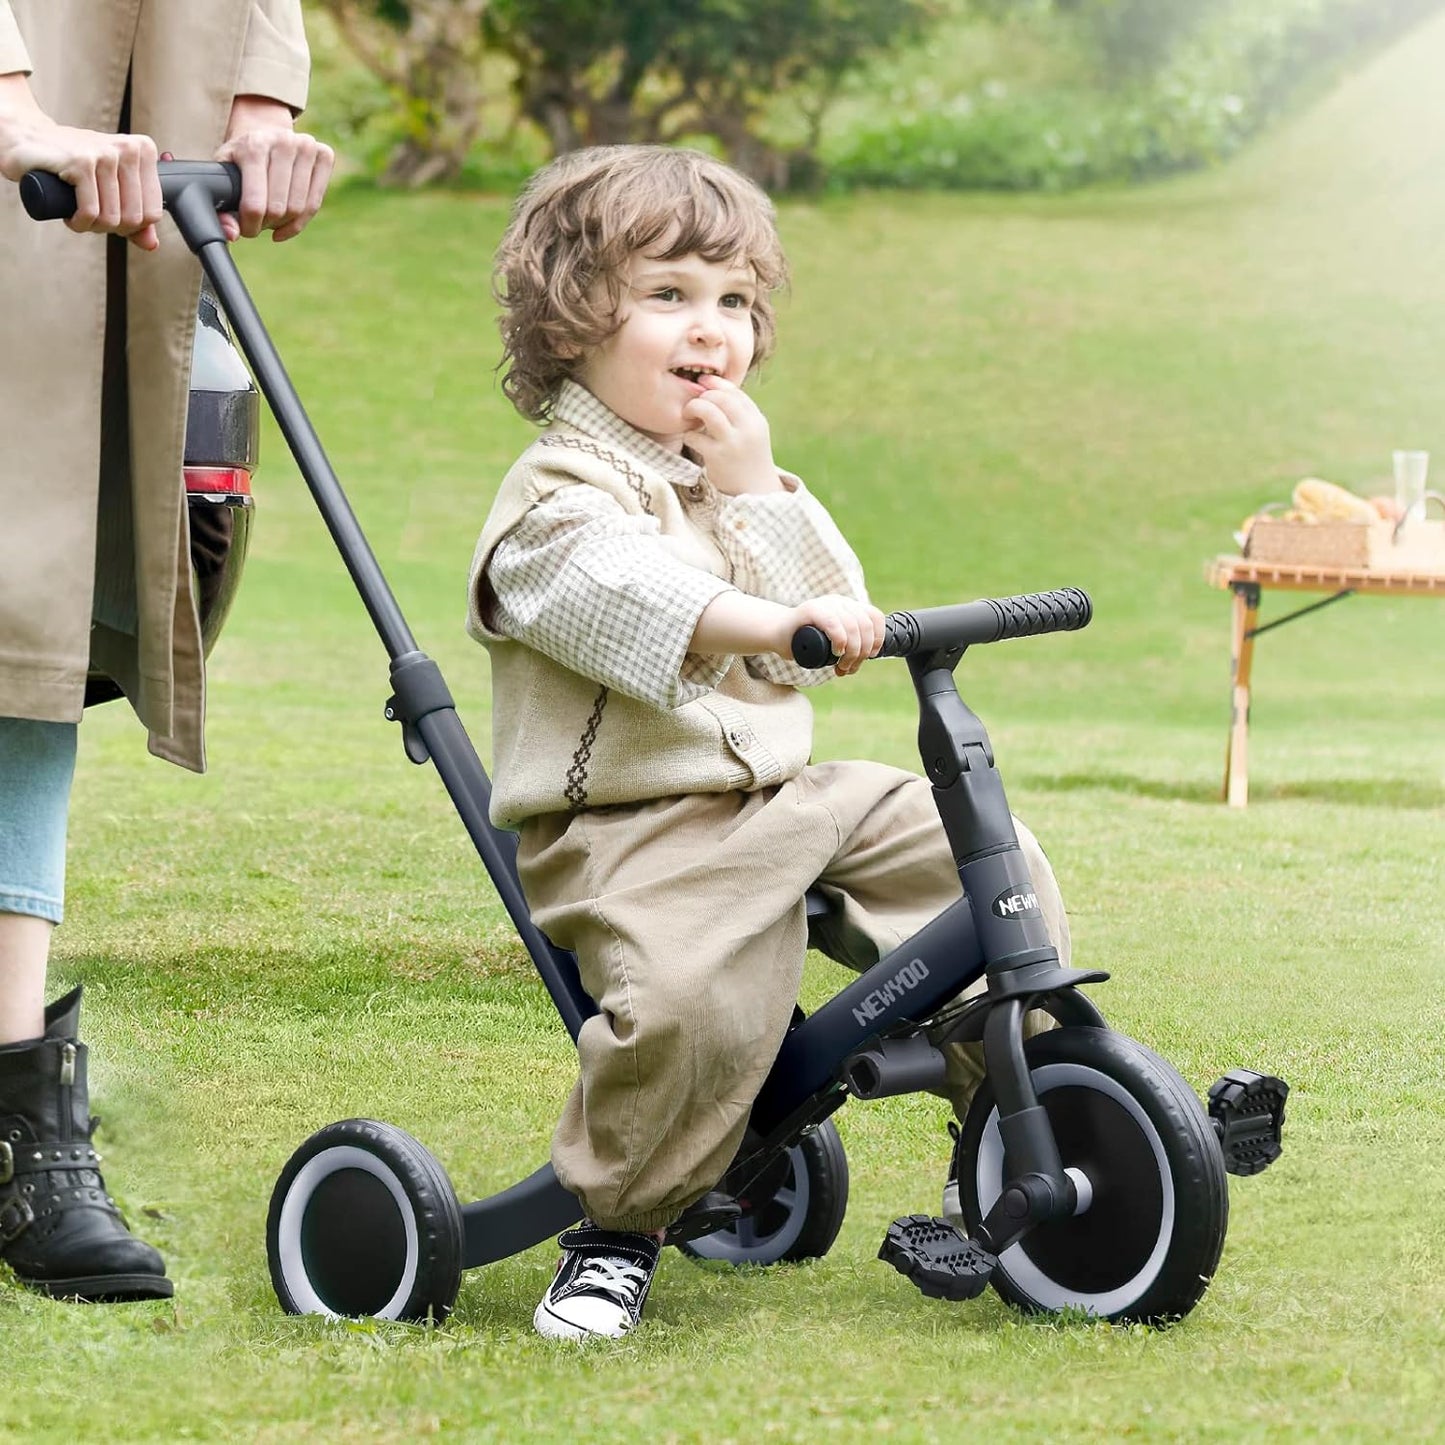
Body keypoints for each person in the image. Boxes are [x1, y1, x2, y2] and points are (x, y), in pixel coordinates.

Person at [470, 145, 1073, 1342]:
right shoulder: (553, 500)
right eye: (669, 296)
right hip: (630, 831)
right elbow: (644, 605)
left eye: (734, 301)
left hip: (779, 796)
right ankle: (616, 1229)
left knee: (980, 863)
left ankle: (1030, 1104)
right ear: (570, 319)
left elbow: (834, 615)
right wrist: (778, 622)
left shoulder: (719, 478)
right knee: (698, 1002)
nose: (713, 330)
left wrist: (756, 489)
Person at [0, 0, 333, 1302]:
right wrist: (21, 110)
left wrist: (261, 104)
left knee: (29, 618)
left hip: (100, 185)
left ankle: (22, 1119)